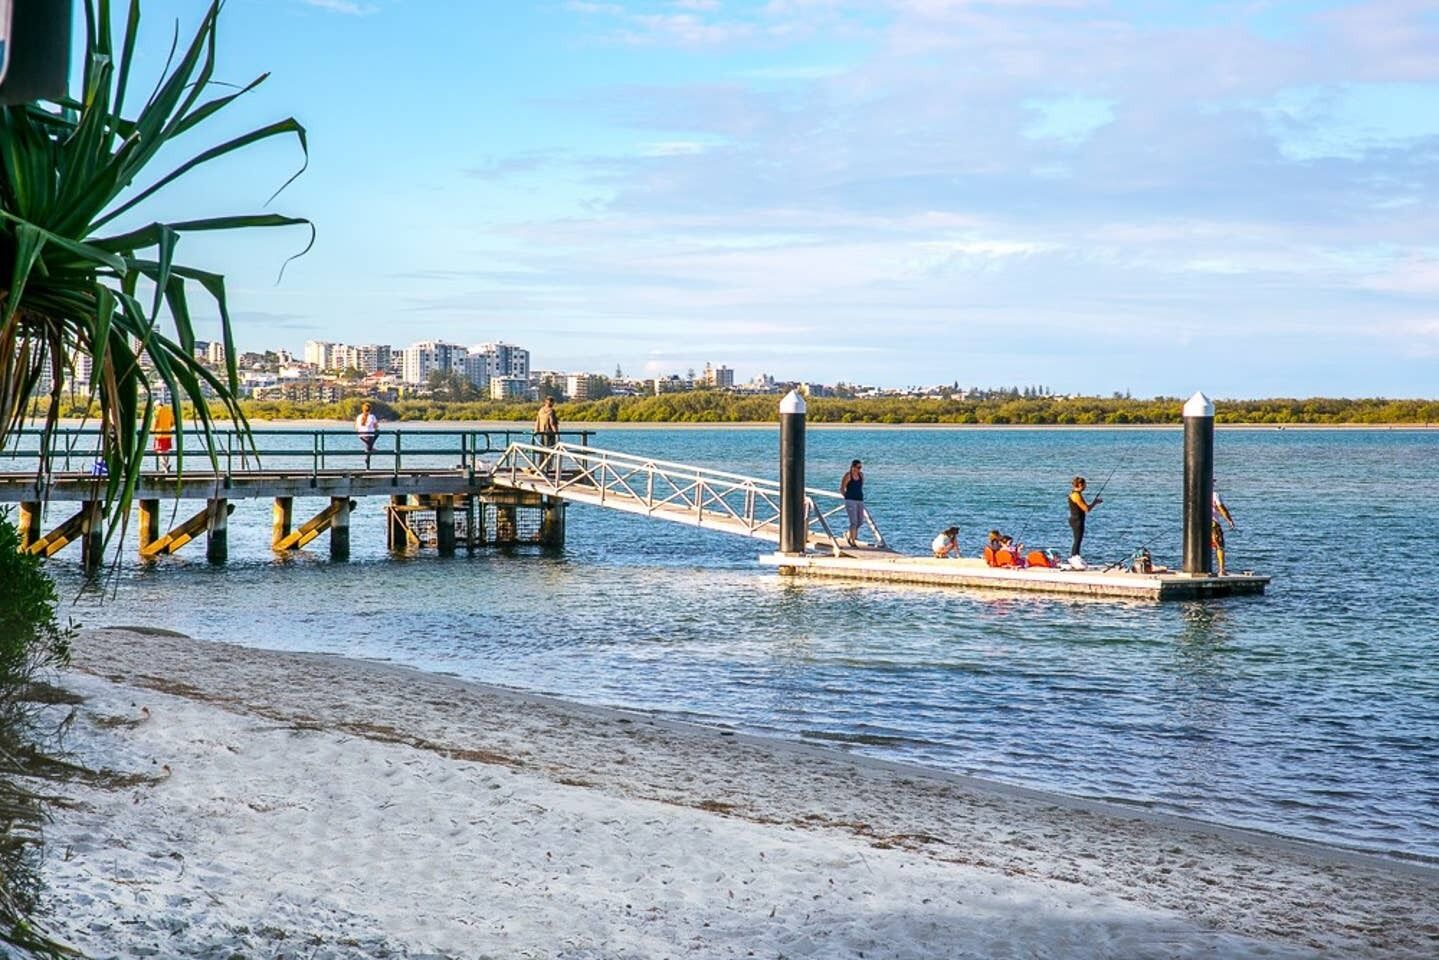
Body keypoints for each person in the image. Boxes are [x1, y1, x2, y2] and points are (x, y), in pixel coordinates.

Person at [1067, 476, 1102, 562]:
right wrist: (1095, 502)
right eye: (1085, 485)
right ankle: (1074, 558)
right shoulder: (1076, 496)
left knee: (1078, 540)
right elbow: (1086, 509)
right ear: (1080, 485)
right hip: (1077, 520)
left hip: (1075, 519)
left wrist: (1094, 502)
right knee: (1077, 540)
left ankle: (1076, 558)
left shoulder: (1074, 494)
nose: (1086, 486)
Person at [840, 459, 865, 547]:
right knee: (853, 522)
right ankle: (852, 541)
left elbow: (860, 486)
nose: (859, 469)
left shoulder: (861, 475)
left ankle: (848, 534)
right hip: (850, 501)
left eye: (860, 467)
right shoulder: (848, 475)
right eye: (858, 467)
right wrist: (847, 497)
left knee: (860, 521)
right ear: (853, 467)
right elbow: (842, 488)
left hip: (860, 500)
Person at [1211, 490, 1237, 576]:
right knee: (1219, 546)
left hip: (1200, 523)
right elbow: (1221, 508)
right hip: (1213, 523)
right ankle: (1221, 570)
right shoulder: (1214, 495)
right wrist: (1229, 520)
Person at [152, 402, 176, 473]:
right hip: (168, 433)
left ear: (156, 406)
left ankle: (165, 467)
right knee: (166, 450)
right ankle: (166, 465)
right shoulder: (168, 410)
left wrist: (152, 430)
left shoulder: (157, 411)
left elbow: (154, 422)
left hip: (159, 434)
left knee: (159, 451)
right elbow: (173, 422)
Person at [355, 401, 379, 469]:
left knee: (369, 445)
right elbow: (376, 427)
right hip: (369, 436)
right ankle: (367, 458)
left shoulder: (359, 416)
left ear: (363, 409)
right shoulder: (372, 416)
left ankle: (371, 449)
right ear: (370, 409)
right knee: (377, 432)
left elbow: (356, 427)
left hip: (361, 436)